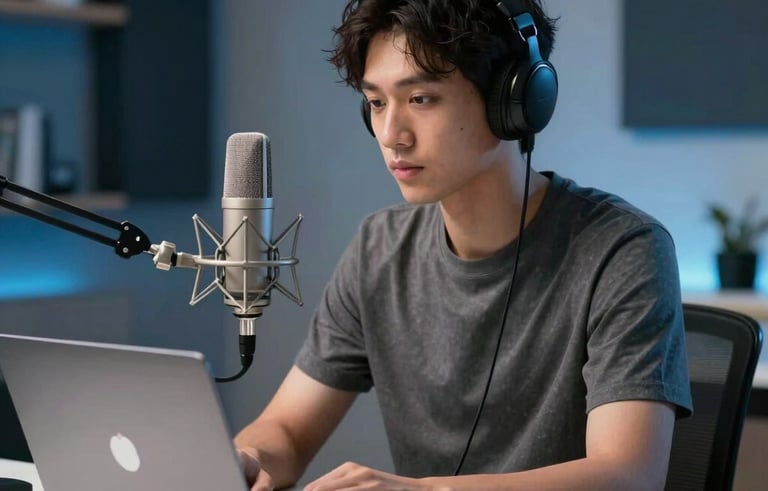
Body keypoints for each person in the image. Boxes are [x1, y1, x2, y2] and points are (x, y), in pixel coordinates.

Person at [234, 1, 693, 489]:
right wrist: (246, 458)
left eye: (421, 99)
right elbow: (286, 429)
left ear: (512, 101)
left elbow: (628, 475)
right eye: (377, 102)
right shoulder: (379, 249)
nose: (392, 135)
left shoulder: (622, 249)